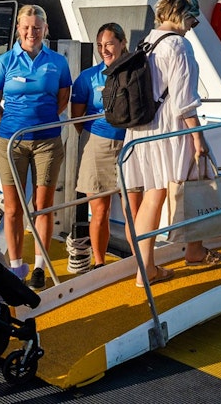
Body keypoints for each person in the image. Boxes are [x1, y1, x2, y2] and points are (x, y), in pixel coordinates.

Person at [123, 0, 221, 287]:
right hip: (172, 129)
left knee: (154, 193)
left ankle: (147, 268)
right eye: (192, 20)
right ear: (182, 16)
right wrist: (198, 138)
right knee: (194, 183)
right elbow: (184, 100)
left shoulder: (148, 40)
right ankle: (191, 251)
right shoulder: (179, 46)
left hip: (144, 127)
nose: (193, 26)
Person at [0, 5, 72, 290]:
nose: (31, 32)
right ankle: (15, 267)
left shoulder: (58, 63)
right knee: (12, 210)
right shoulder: (3, 63)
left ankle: (39, 267)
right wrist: (14, 127)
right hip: (12, 144)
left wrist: (40, 124)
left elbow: (62, 100)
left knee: (43, 207)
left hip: (48, 142)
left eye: (37, 28)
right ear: (18, 29)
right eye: (26, 27)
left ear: (46, 30)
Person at [70, 23, 129, 270]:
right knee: (100, 209)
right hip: (98, 145)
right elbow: (78, 118)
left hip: (130, 144)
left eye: (109, 44)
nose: (104, 50)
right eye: (100, 45)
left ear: (122, 43)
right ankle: (100, 263)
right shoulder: (87, 78)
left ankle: (140, 261)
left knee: (131, 209)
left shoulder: (134, 73)